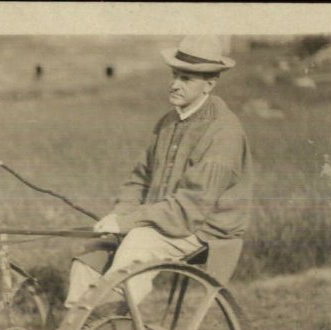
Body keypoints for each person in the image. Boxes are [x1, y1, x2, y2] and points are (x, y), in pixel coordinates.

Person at [64, 35, 253, 310]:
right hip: (164, 219)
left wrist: (130, 223)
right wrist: (120, 216)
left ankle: (108, 329)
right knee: (92, 252)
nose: (175, 84)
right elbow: (139, 178)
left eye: (186, 79)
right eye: (175, 74)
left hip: (203, 229)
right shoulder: (169, 122)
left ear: (209, 84)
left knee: (138, 245)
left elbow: (189, 211)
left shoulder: (224, 134)